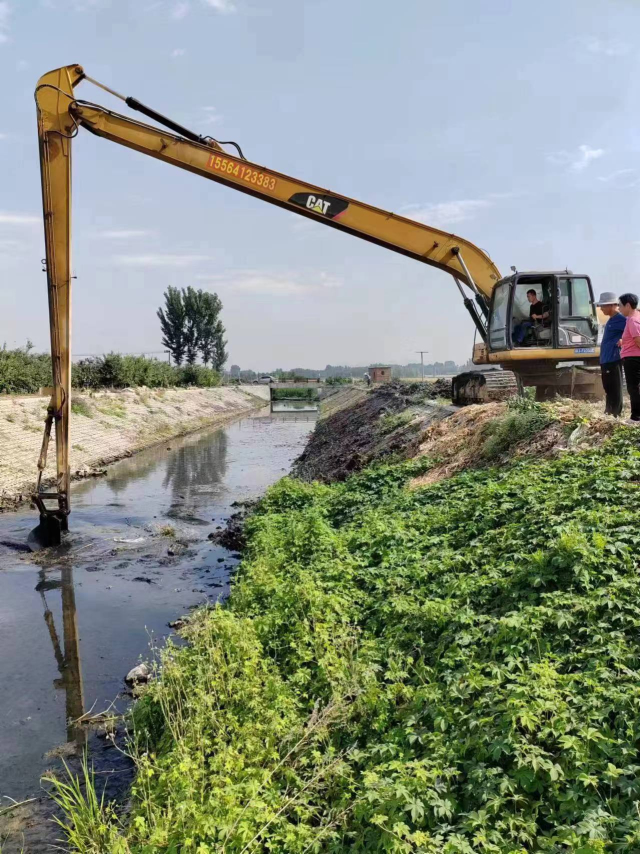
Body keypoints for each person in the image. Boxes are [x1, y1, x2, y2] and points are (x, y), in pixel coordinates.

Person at [596, 291, 626, 417]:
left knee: (615, 387)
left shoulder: (621, 319)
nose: (601, 308)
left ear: (613, 305)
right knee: (608, 387)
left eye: (603, 306)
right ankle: (608, 412)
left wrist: (623, 340)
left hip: (613, 358)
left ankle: (615, 413)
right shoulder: (611, 320)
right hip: (606, 358)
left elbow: (634, 331)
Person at [619, 292, 640, 422]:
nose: (619, 308)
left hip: (633, 358)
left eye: (620, 305)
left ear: (627, 305)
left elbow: (638, 340)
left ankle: (636, 417)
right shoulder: (635, 317)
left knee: (634, 387)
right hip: (633, 356)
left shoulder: (633, 320)